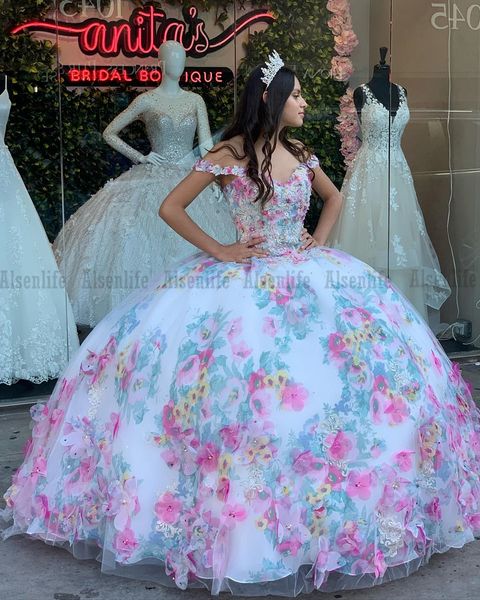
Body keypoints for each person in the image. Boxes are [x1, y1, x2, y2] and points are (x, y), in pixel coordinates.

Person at [2, 52, 480, 596]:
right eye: (296, 95)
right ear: (273, 101)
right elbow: (171, 207)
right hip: (240, 277)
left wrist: (316, 244)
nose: (304, 103)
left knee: (341, 379)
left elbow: (334, 198)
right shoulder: (229, 152)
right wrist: (222, 250)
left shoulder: (299, 151)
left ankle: (325, 521)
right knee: (230, 388)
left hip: (304, 272)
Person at [52, 41, 235, 327]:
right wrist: (142, 157)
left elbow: (207, 143)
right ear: (161, 63)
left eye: (182, 58)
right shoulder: (147, 100)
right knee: (143, 240)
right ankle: (143, 317)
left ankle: (187, 313)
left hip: (188, 178)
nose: (179, 63)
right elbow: (110, 132)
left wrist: (214, 177)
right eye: (173, 58)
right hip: (151, 177)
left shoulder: (195, 100)